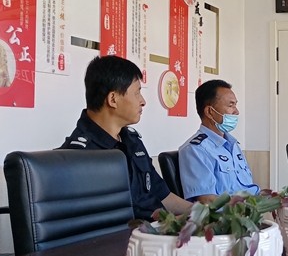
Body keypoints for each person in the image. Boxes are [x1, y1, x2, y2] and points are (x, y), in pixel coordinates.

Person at [60, 55, 193, 219]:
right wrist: (171, 222)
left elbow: (163, 195)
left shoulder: (132, 141)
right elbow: (110, 220)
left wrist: (201, 212)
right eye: (137, 93)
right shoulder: (81, 156)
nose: (143, 101)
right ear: (113, 99)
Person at [178, 79, 258, 203]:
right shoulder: (195, 150)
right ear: (210, 112)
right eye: (231, 106)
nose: (236, 112)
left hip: (253, 207)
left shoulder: (233, 145)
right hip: (233, 213)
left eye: (235, 105)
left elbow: (247, 188)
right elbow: (208, 201)